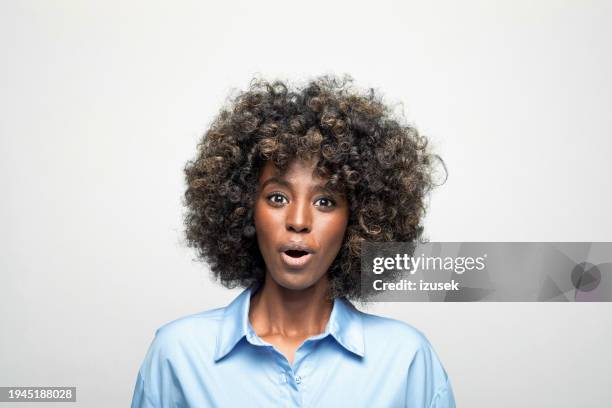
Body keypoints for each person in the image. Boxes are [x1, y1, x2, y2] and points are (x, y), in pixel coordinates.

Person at [130, 75, 456, 407]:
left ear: (358, 220)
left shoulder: (406, 361)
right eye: (277, 198)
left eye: (325, 201)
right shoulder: (178, 355)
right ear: (245, 208)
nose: (298, 222)